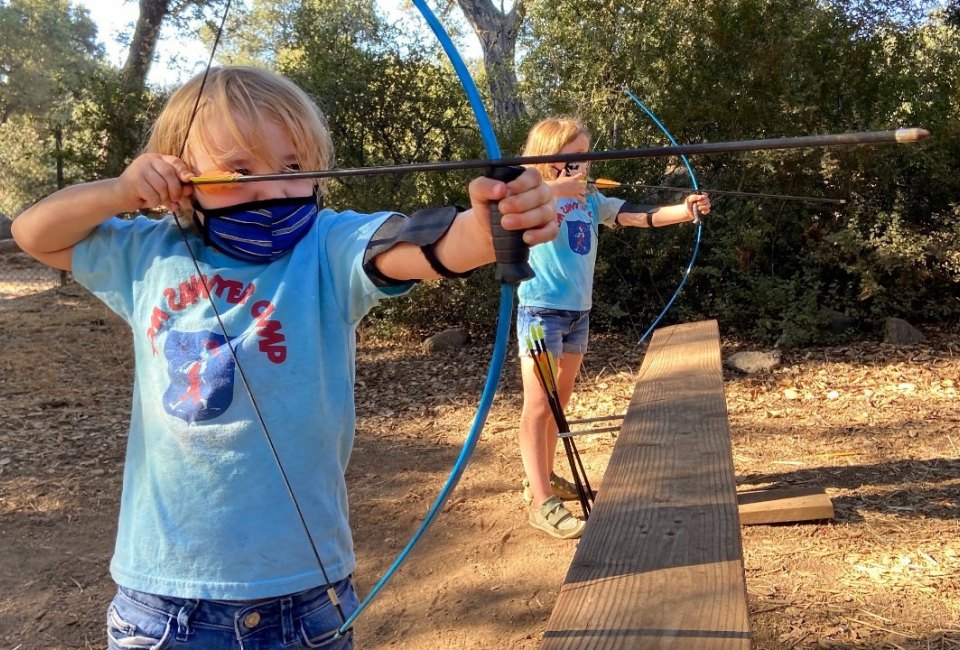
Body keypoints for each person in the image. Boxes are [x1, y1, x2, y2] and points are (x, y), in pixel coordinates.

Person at [11, 66, 556, 648]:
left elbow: (423, 246)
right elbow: (34, 232)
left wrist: (491, 223)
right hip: (163, 599)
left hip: (303, 597)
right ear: (177, 175)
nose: (274, 188)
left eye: (294, 167)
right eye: (240, 170)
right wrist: (120, 191)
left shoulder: (328, 244)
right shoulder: (145, 252)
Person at [515, 116, 711, 540]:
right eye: (574, 158)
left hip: (577, 314)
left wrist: (685, 210)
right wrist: (555, 189)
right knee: (538, 405)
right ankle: (540, 502)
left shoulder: (589, 200)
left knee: (557, 405)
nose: (584, 165)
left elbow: (637, 216)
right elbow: (506, 208)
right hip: (540, 313)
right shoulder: (532, 195)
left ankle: (541, 478)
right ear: (549, 157)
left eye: (587, 156)